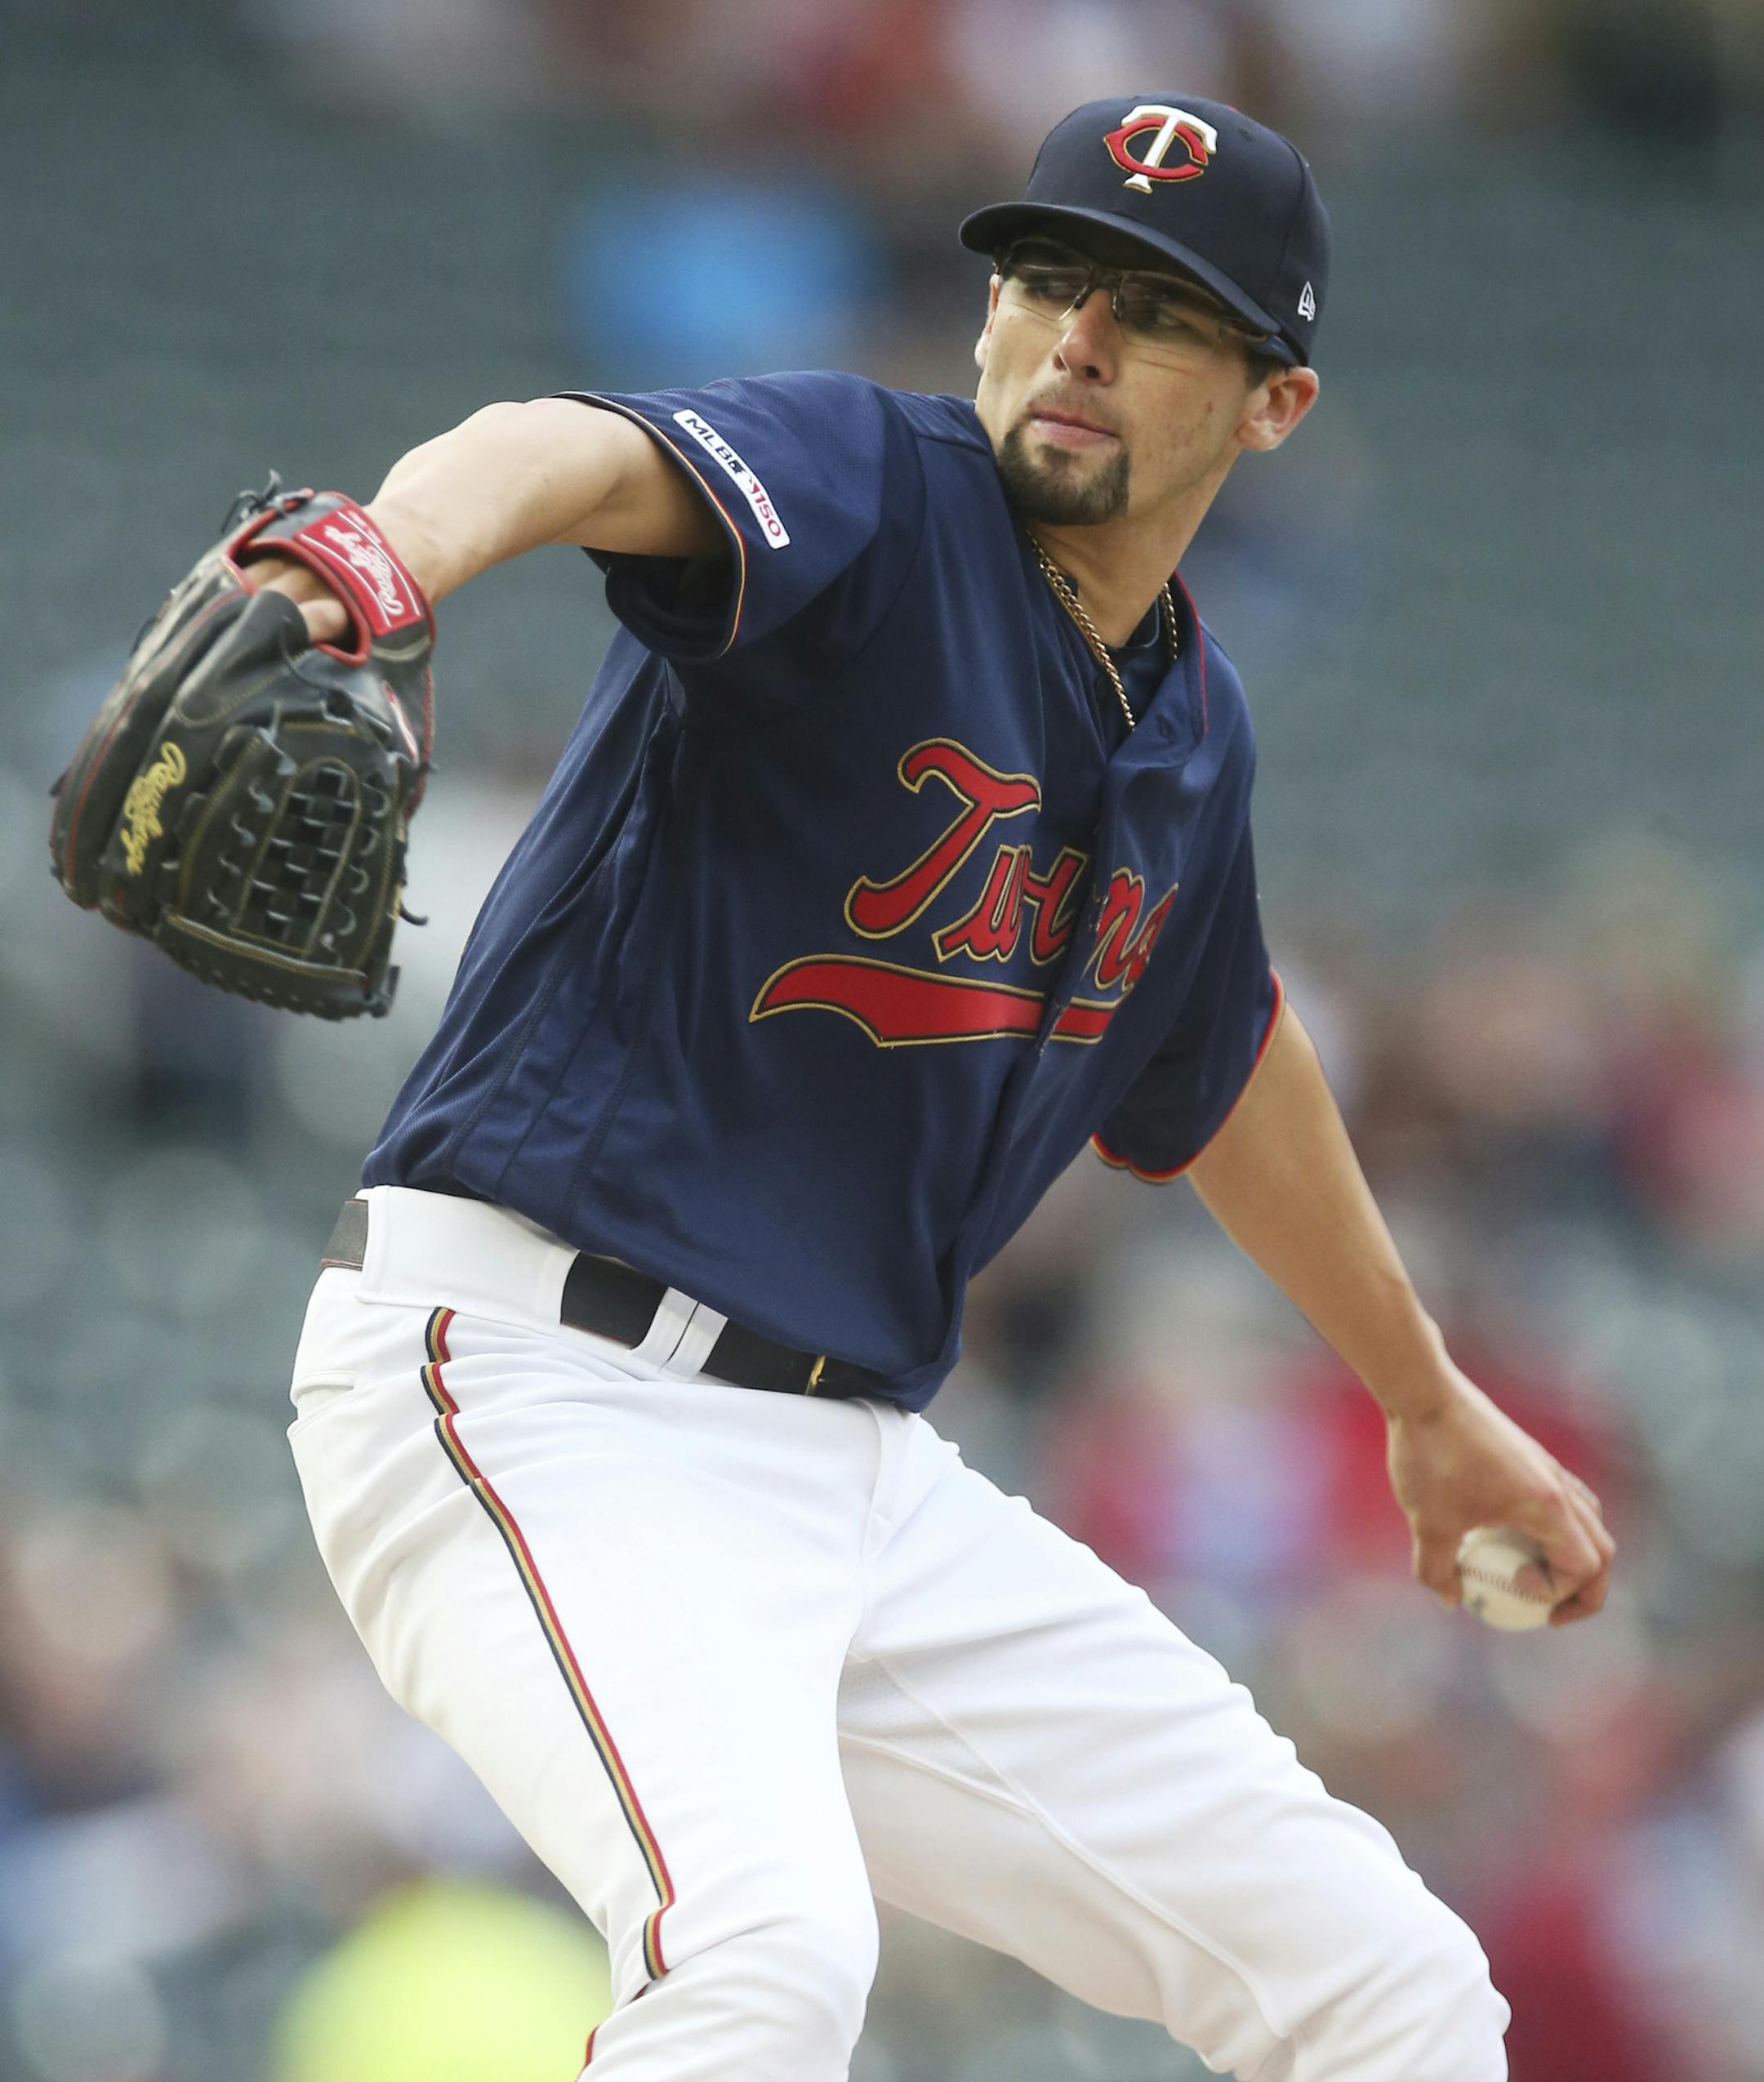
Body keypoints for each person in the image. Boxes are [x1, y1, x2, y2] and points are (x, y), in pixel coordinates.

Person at [273, 96, 1614, 2082]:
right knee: (761, 1958)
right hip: (540, 1377)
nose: (1078, 332)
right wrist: (383, 552)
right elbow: (567, 453)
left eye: (1156, 312)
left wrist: (1421, 1401)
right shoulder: (872, 488)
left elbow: (1223, 1054)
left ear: (1273, 405)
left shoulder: (1192, 723)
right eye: (1051, 279)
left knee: (1386, 1983)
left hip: (852, 1470)